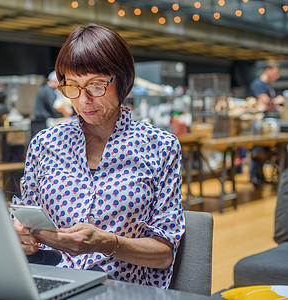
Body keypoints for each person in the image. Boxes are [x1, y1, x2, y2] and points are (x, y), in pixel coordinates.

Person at [12, 23, 185, 289]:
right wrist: (22, 236)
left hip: (121, 289)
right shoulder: (45, 144)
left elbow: (164, 254)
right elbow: (27, 219)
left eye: (96, 85)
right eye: (71, 86)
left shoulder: (160, 146)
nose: (83, 100)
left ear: (123, 80)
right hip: (51, 283)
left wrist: (108, 243)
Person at [249, 61, 285, 186]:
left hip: (271, 124)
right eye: (276, 72)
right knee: (258, 151)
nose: (277, 76)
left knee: (268, 152)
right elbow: (264, 101)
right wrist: (277, 101)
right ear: (268, 70)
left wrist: (277, 108)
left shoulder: (269, 86)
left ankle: (262, 176)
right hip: (259, 124)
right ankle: (255, 176)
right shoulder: (258, 84)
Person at [31, 71, 66, 136]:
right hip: (42, 123)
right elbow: (54, 107)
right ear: (54, 81)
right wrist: (64, 115)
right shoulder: (48, 91)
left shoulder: (45, 89)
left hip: (40, 122)